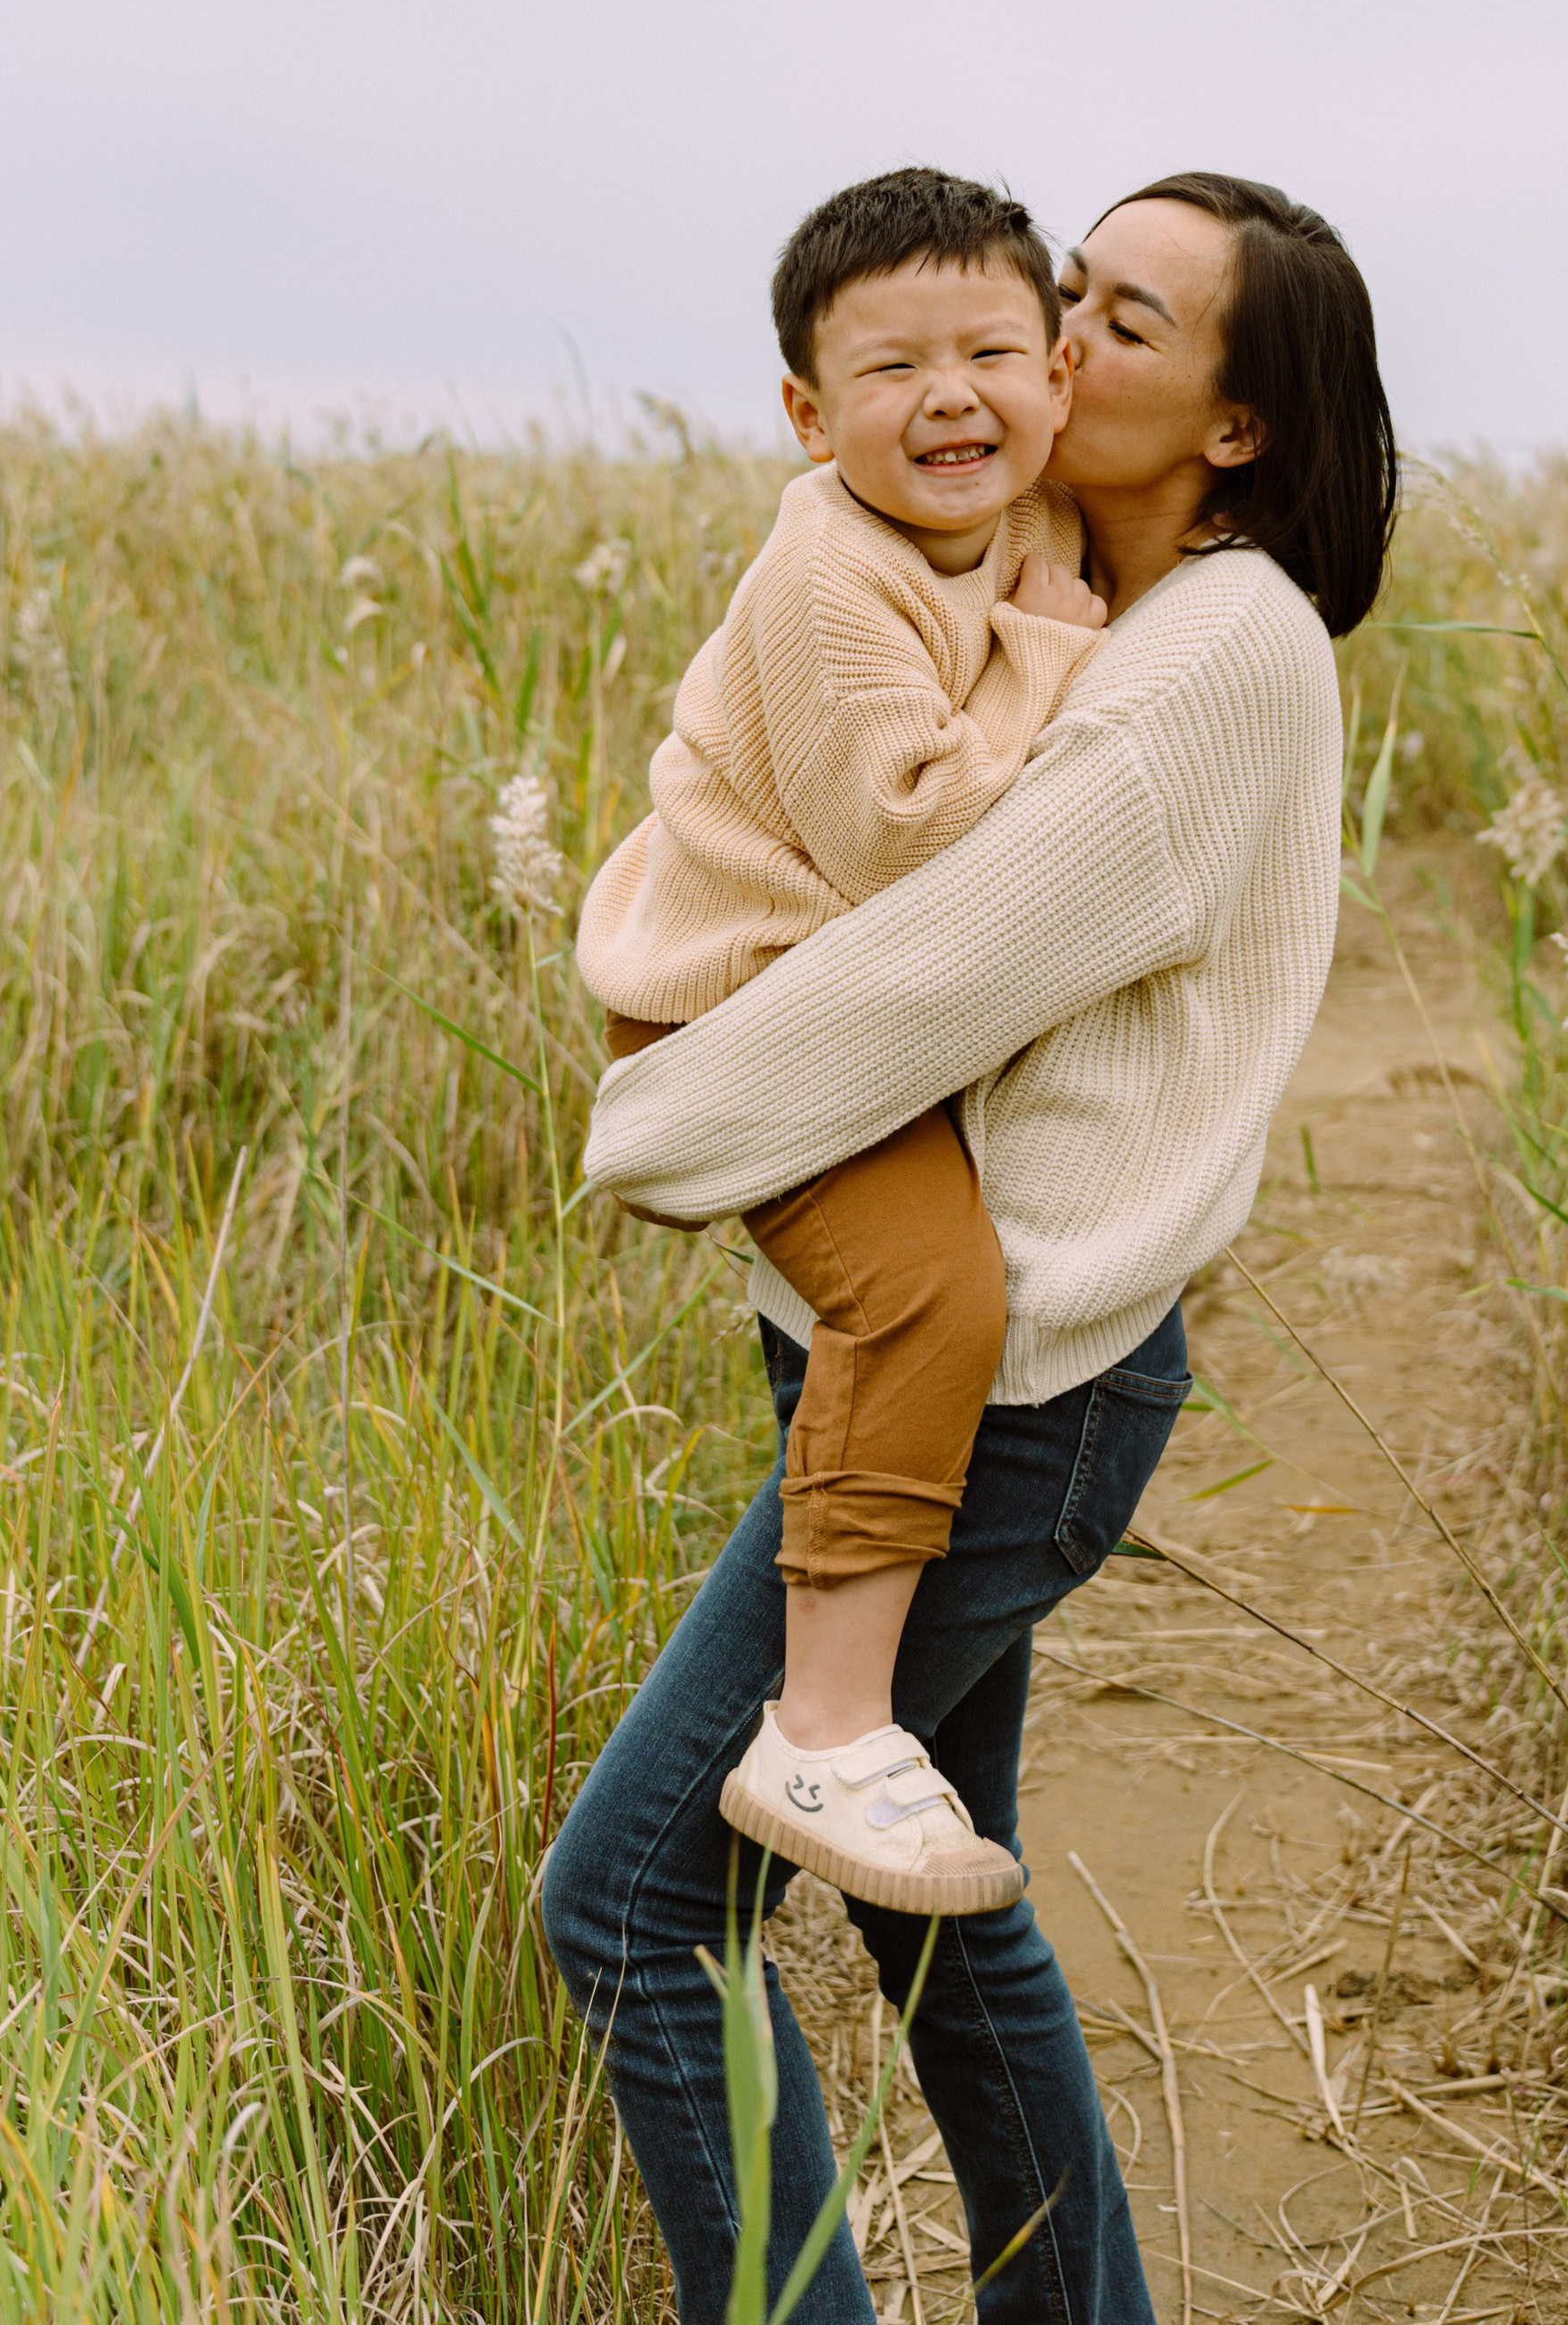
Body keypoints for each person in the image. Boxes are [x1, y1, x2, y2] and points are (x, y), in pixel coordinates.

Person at [543, 174, 1396, 2325]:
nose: (1044, 341)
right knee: (933, 1905)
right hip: (936, 1345)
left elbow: (936, 971)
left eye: (1116, 318)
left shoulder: (1212, 654)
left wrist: (667, 1108)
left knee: (638, 1911)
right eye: (1068, 291)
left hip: (1016, 1379)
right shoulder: (1025, 587)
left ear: (1231, 424)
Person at [576, 168, 1109, 1916]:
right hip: (745, 1007)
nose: (948, 395)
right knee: (925, 1289)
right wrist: (1063, 668)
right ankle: (818, 1721)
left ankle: (890, 1716)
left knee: (956, 1287)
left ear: (1058, 373)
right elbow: (912, 825)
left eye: (990, 351)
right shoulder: (830, 573)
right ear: (807, 415)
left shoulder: (1027, 530)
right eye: (887, 371)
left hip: (856, 1000)